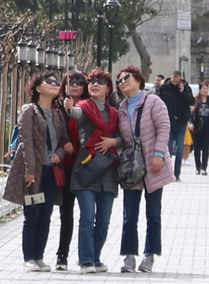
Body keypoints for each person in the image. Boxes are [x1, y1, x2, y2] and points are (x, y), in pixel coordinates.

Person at [6, 70, 68, 270]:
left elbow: (64, 140)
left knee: (46, 214)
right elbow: (27, 143)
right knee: (32, 214)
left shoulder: (58, 114)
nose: (53, 84)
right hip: (34, 173)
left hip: (51, 173)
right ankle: (29, 257)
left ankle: (39, 256)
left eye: (56, 82)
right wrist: (30, 171)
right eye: (48, 81)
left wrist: (60, 153)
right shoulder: (29, 111)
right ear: (37, 88)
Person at [116, 64, 174, 272]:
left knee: (153, 213)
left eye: (127, 77)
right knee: (129, 215)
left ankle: (149, 256)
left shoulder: (153, 101)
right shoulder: (121, 108)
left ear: (139, 79)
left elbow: (164, 128)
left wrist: (159, 154)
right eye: (120, 80)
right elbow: (122, 138)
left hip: (153, 165)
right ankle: (129, 257)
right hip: (132, 168)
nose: (123, 82)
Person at [68, 70, 126, 270]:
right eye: (91, 81)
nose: (94, 84)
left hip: (107, 170)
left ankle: (95, 257)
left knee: (103, 221)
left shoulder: (114, 114)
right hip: (86, 168)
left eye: (100, 82)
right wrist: (69, 108)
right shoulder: (84, 107)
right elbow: (76, 114)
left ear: (108, 88)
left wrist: (113, 141)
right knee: (87, 218)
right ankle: (85, 261)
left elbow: (124, 137)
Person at [53, 72, 87, 266]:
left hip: (84, 165)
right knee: (66, 212)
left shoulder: (88, 107)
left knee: (87, 212)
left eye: (79, 83)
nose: (74, 85)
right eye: (70, 82)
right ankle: (62, 254)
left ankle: (87, 256)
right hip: (64, 165)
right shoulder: (57, 108)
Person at [157, 70, 195, 178]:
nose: (174, 82)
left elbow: (192, 102)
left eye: (177, 80)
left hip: (181, 121)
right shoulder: (165, 87)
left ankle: (176, 173)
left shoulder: (186, 87)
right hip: (168, 121)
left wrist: (183, 92)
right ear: (171, 77)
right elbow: (159, 101)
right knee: (168, 148)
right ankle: (167, 172)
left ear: (180, 79)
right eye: (173, 79)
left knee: (179, 149)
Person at [190, 85, 209, 176]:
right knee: (197, 148)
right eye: (204, 89)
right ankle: (197, 167)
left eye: (207, 89)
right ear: (200, 90)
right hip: (197, 127)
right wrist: (191, 123)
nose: (205, 90)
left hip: (208, 127)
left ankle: (204, 167)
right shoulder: (196, 99)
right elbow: (191, 114)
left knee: (206, 148)